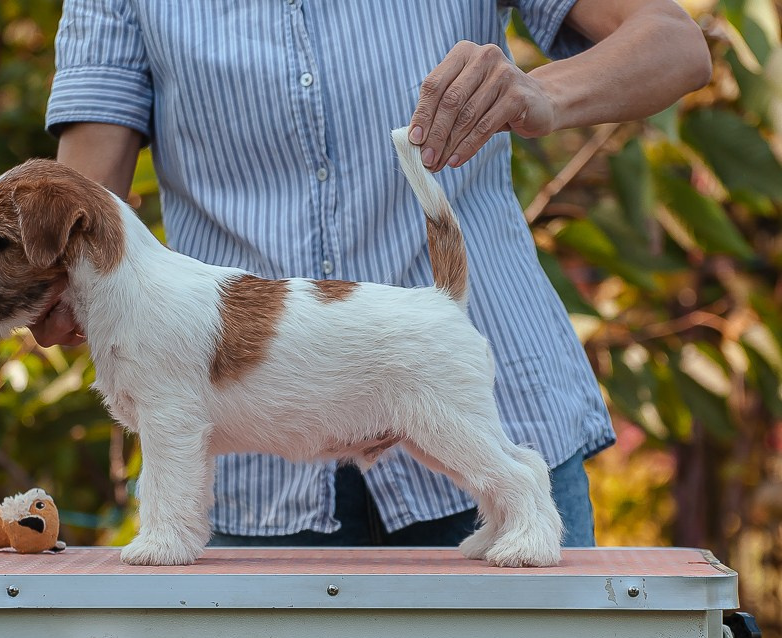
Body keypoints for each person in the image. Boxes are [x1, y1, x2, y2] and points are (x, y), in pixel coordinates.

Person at [36, 0, 711, 548]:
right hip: (257, 478)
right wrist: (55, 285)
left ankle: (515, 505)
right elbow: (86, 203)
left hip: (486, 377)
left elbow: (674, 42)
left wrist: (539, 91)